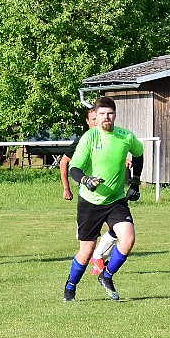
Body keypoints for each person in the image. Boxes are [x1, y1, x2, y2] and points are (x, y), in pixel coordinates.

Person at [63, 96, 143, 302]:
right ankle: (70, 288)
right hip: (90, 202)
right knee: (87, 251)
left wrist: (135, 182)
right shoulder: (88, 138)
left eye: (110, 113)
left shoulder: (126, 136)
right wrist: (86, 180)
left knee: (128, 239)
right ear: (95, 118)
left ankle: (106, 276)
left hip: (116, 200)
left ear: (115, 115)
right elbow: (74, 167)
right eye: (102, 114)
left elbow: (139, 154)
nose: (106, 117)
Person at [60, 107, 119, 275]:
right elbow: (65, 163)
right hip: (89, 197)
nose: (96, 122)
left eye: (98, 118)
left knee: (119, 228)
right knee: (87, 243)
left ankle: (98, 257)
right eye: (93, 119)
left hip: (111, 194)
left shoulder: (110, 138)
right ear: (88, 122)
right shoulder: (83, 141)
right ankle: (94, 259)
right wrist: (66, 188)